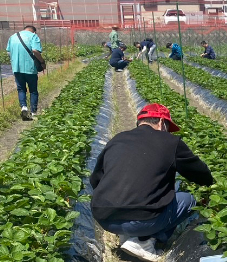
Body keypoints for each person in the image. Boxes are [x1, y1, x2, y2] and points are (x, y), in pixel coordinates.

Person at [90, 103, 213, 262]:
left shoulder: (117, 139)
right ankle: (146, 241)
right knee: (188, 201)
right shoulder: (170, 142)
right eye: (168, 126)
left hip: (105, 218)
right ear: (162, 123)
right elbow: (200, 174)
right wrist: (211, 184)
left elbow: (95, 179)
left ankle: (127, 234)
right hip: (141, 222)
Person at [6, 25, 45, 121]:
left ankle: (24, 107)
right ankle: (33, 112)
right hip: (30, 68)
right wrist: (42, 62)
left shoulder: (13, 36)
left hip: (17, 68)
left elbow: (8, 52)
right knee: (33, 90)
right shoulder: (33, 36)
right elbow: (35, 50)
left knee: (21, 89)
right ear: (34, 32)